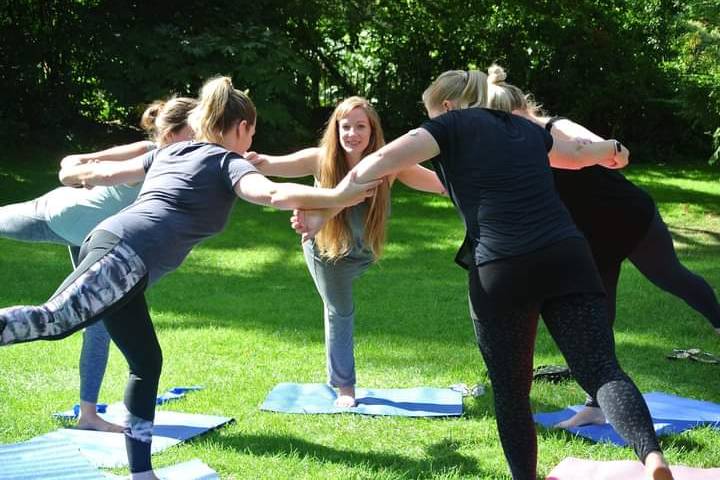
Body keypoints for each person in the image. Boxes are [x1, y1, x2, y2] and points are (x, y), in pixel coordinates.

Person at [292, 70, 674, 480]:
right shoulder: (523, 127)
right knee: (602, 369)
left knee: (511, 393)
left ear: (448, 106)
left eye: (430, 110)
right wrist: (612, 149)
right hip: (567, 256)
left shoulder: (448, 125)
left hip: (501, 268)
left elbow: (378, 162)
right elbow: (579, 153)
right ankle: (652, 457)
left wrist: (326, 207)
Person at [0, 76, 378, 479]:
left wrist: (77, 171)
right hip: (123, 255)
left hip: (125, 258)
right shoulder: (225, 162)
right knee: (54, 320)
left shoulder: (174, 151)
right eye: (252, 131)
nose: (251, 141)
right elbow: (272, 195)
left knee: (146, 361)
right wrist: (339, 196)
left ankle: (142, 473)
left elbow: (108, 175)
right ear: (242, 127)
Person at [483, 64, 720, 429]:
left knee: (673, 277)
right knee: (598, 315)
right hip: (591, 239)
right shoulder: (510, 151)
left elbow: (610, 151)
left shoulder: (554, 128)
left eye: (507, 119)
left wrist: (603, 151)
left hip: (630, 219)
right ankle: (596, 403)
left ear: (521, 110)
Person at [0, 96, 197, 432]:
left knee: (99, 324)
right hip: (57, 215)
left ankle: (88, 415)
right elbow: (70, 166)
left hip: (94, 239)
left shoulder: (188, 162)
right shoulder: (144, 152)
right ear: (173, 132)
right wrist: (85, 172)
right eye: (198, 129)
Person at [246, 96, 445, 407]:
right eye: (346, 127)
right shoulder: (320, 158)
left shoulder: (390, 164)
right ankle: (344, 388)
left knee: (366, 174)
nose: (352, 133)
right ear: (336, 130)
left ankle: (316, 213)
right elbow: (271, 164)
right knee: (340, 312)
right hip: (328, 252)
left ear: (373, 130)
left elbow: (439, 185)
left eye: (360, 127)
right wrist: (244, 158)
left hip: (364, 250)